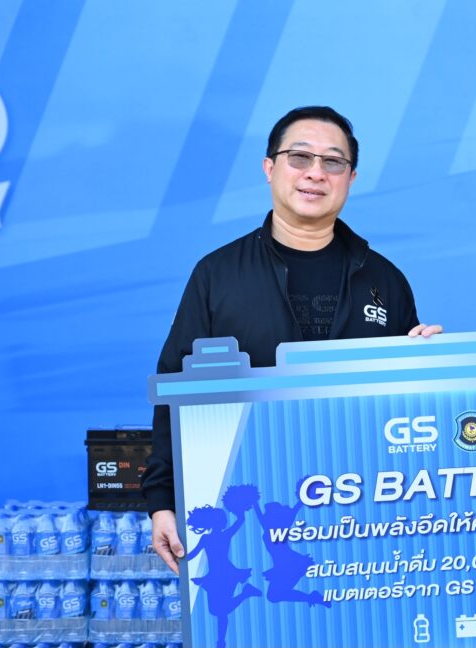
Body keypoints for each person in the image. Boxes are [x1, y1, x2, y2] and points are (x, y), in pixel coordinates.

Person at [141, 106, 442, 574]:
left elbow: (408, 409)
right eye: (300, 157)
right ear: (269, 168)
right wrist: (162, 501)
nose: (315, 173)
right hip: (251, 507)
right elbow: (175, 387)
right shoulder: (217, 276)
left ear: (351, 178)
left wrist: (429, 364)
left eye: (333, 162)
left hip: (361, 511)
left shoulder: (385, 280)